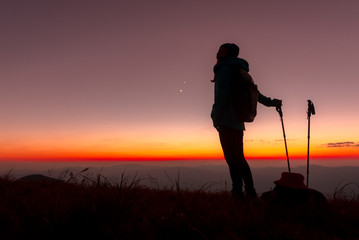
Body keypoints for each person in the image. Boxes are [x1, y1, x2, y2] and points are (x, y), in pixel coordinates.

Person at [211, 43, 282, 198]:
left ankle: (239, 191)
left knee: (232, 158)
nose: (217, 52)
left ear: (227, 53)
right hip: (238, 120)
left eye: (221, 50)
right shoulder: (239, 70)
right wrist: (272, 102)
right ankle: (248, 191)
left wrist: (215, 117)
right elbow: (255, 93)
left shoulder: (224, 69)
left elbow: (221, 96)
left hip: (226, 119)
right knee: (238, 158)